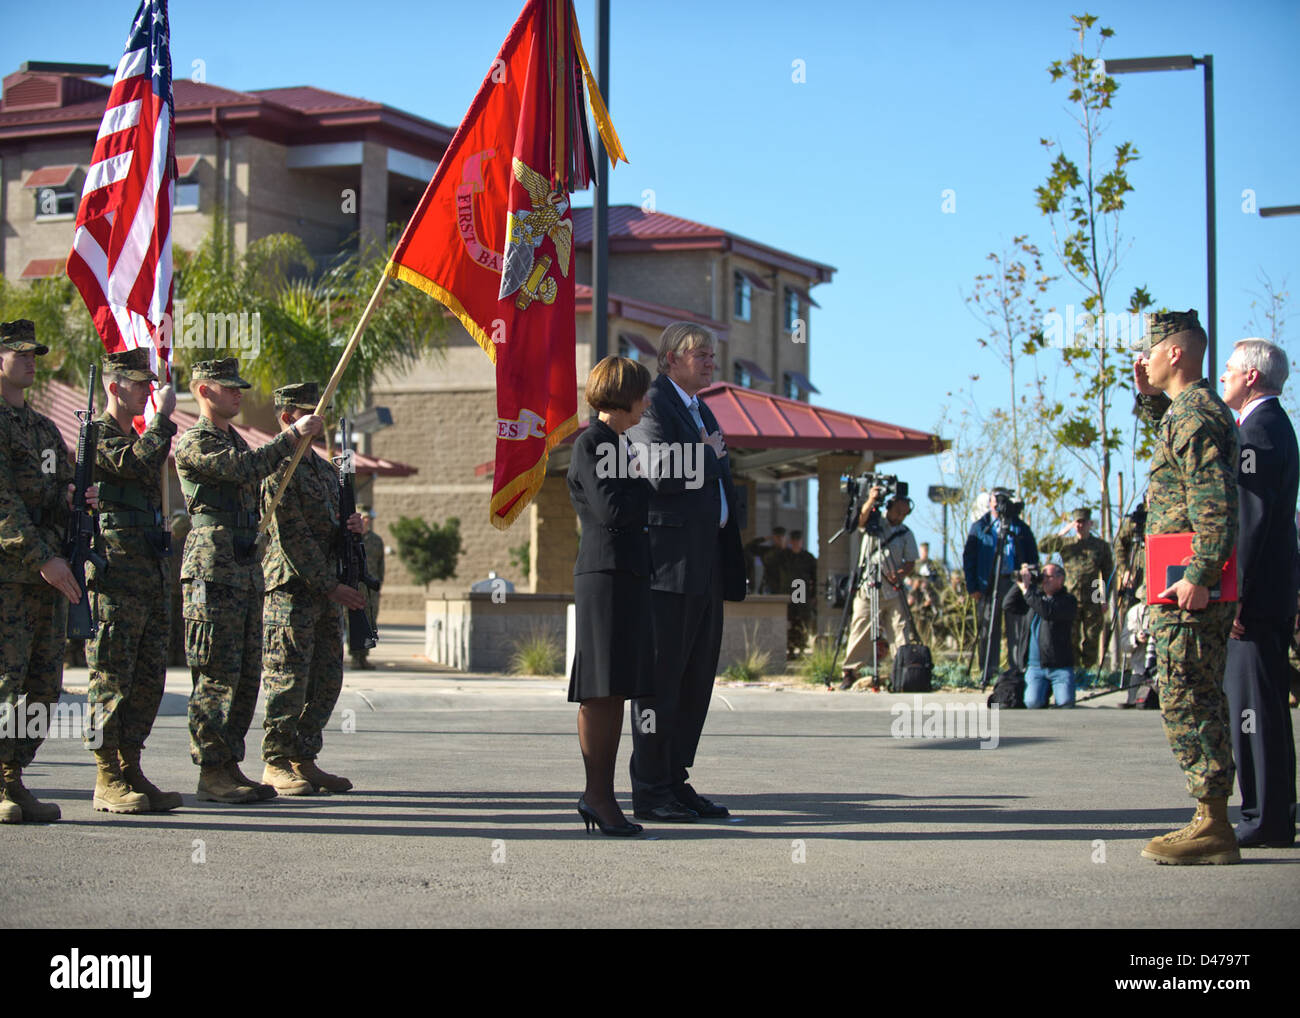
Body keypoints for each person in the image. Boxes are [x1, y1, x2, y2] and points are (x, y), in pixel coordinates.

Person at [176, 358, 322, 804]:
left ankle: (229, 764)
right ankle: (210, 770)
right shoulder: (195, 441)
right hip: (210, 570)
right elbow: (245, 469)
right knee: (216, 673)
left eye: (240, 387)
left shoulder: (233, 438)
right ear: (204, 391)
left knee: (243, 674)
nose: (238, 394)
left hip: (241, 568)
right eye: (228, 387)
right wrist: (293, 435)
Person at [625, 322, 746, 823]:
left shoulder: (702, 408)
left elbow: (710, 471)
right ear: (670, 358)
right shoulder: (654, 403)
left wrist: (709, 454)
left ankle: (676, 780)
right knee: (661, 682)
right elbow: (661, 473)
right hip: (669, 571)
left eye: (712, 354)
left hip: (706, 566)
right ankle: (651, 789)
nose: (709, 361)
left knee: (695, 682)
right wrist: (708, 454)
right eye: (700, 354)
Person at [1132, 309, 1240, 865]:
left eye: (1149, 350)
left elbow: (1216, 502)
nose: (1142, 359)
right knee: (1194, 693)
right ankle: (1211, 817)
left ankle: (1213, 823)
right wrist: (1147, 395)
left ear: (1174, 352)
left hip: (1187, 585)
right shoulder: (1187, 413)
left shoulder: (1194, 416)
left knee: (1187, 696)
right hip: (1178, 581)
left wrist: (1200, 575)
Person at [0, 319, 95, 823]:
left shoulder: (43, 429)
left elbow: (56, 493)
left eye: (35, 353)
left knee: (42, 685)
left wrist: (78, 501)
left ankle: (12, 778)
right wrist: (41, 556)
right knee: (5, 681)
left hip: (48, 578)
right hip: (12, 574)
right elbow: (4, 503)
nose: (31, 360)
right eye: (20, 353)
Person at [83, 348, 181, 813]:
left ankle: (130, 764)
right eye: (139, 383)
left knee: (147, 679)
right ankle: (106, 776)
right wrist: (162, 419)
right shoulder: (98, 436)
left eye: (149, 383)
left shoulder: (139, 436)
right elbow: (134, 464)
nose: (148, 390)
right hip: (115, 576)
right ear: (114, 386)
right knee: (112, 674)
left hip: (149, 573)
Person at [259, 383, 367, 795]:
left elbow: (331, 530)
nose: (319, 421)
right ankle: (275, 760)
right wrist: (330, 586)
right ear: (289, 417)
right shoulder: (277, 466)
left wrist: (352, 528)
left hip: (327, 591)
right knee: (288, 679)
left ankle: (303, 757)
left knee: (327, 678)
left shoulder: (324, 470)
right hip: (293, 588)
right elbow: (293, 536)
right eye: (310, 412)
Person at [566, 356, 654, 836]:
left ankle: (600, 795)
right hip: (605, 576)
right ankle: (597, 795)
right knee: (602, 689)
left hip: (626, 574)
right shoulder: (592, 443)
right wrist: (651, 481)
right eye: (642, 393)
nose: (647, 402)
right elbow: (613, 509)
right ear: (623, 394)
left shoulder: (618, 444)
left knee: (615, 687)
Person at [1220, 338, 1298, 847]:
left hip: (1255, 598)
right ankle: (1268, 813)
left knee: (1254, 708)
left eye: (1228, 369)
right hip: (1270, 593)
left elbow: (1252, 522)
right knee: (1260, 705)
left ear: (1251, 376)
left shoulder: (1258, 432)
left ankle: (1264, 818)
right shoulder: (1272, 427)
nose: (1222, 376)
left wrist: (1237, 595)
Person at [841, 486, 917, 690]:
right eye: (897, 512)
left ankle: (902, 671)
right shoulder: (875, 523)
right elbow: (859, 521)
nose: (900, 517)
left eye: (904, 513)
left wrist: (900, 574)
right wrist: (871, 500)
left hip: (893, 590)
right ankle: (850, 671)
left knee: (900, 630)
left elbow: (910, 561)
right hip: (868, 586)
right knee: (861, 627)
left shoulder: (905, 533)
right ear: (889, 507)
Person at [963, 488, 1039, 687]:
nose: (998, 505)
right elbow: (969, 558)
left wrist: (1029, 580)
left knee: (1017, 630)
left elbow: (1033, 556)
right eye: (994, 500)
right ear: (989, 503)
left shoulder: (1020, 527)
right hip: (988, 584)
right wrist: (972, 586)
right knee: (989, 630)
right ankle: (988, 672)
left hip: (1015, 583)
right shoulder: (981, 527)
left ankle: (1017, 671)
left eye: (1001, 500)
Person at [1039, 508, 1114, 674]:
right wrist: (1062, 532)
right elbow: (1043, 546)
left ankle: (1088, 670)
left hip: (1093, 596)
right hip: (1070, 597)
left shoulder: (1100, 546)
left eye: (1082, 522)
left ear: (1089, 523)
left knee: (1092, 636)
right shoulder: (1066, 544)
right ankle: (1075, 670)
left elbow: (1107, 574)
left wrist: (1104, 598)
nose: (1079, 525)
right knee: (1070, 637)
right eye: (1077, 522)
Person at [1003, 563, 1077, 708]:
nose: (1044, 580)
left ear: (1060, 579)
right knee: (1032, 703)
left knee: (1065, 704)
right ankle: (1043, 692)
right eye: (1043, 576)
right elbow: (1008, 605)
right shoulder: (1034, 597)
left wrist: (1027, 591)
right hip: (1035, 666)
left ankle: (1052, 689)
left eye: (1048, 577)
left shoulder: (1068, 601)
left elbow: (1047, 612)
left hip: (1060, 666)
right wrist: (1020, 583)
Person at [352, 506, 385, 671]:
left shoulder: (376, 541)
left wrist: (378, 585)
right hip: (354, 588)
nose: (366, 521)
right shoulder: (351, 538)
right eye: (363, 518)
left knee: (369, 623)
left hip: (370, 590)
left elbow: (381, 566)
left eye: (368, 518)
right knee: (354, 623)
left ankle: (364, 657)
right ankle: (356, 657)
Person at [785, 529, 818, 656]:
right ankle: (791, 648)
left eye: (797, 541)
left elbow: (814, 577)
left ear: (801, 542)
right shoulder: (785, 556)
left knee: (803, 621)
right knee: (791, 621)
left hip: (803, 594)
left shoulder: (808, 558)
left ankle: (802, 647)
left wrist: (814, 595)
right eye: (793, 541)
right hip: (788, 594)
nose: (795, 543)